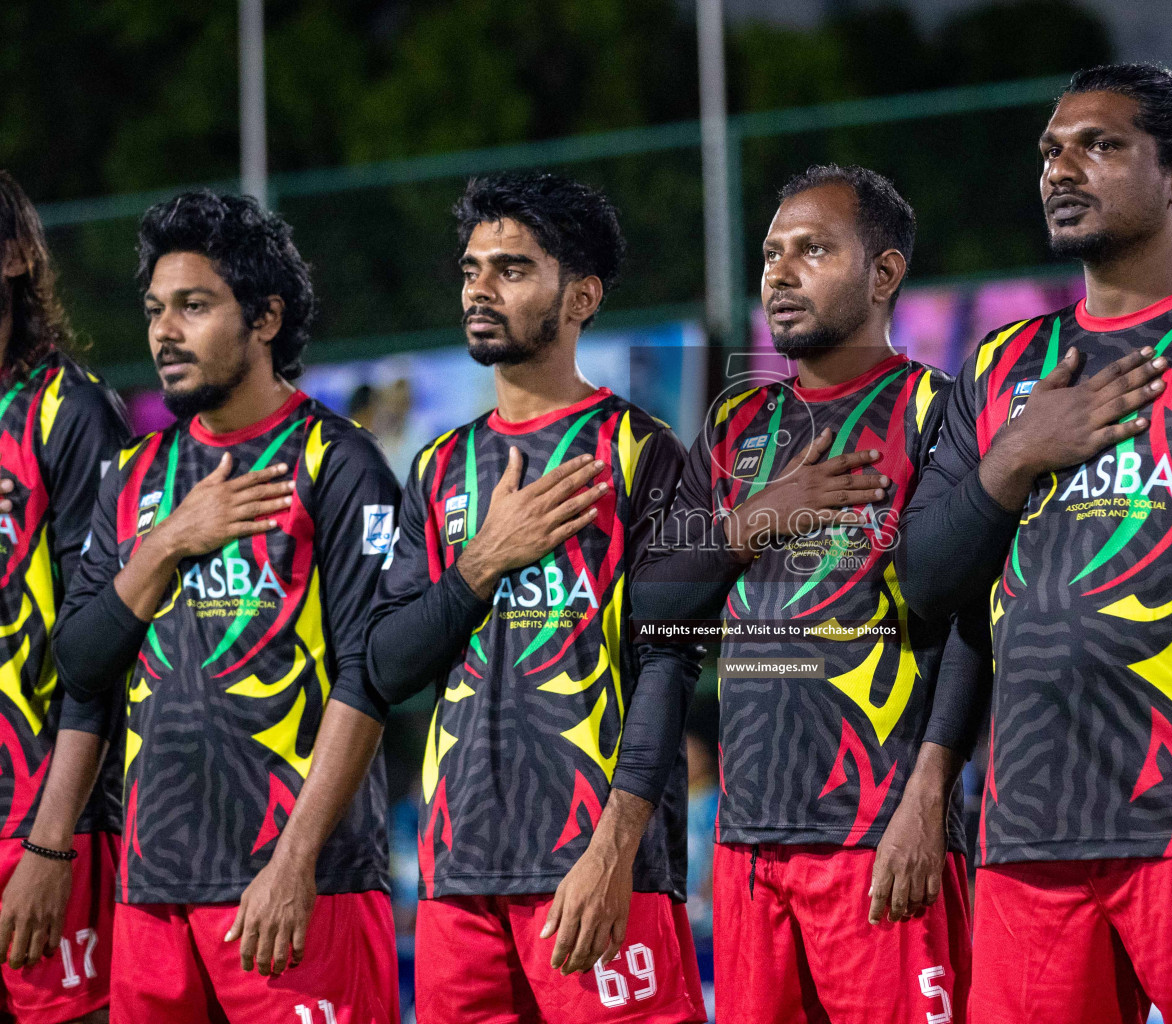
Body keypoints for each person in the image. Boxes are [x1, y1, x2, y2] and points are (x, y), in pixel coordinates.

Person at [903, 65, 1172, 1023]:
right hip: (1027, 847)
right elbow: (930, 584)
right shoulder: (999, 369)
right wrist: (1012, 461)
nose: (1062, 167)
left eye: (1100, 146)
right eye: (1053, 149)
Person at [634, 164, 986, 1024]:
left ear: (885, 273)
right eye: (771, 256)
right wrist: (761, 516)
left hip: (882, 835)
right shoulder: (733, 425)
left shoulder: (940, 411)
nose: (780, 275)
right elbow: (652, 601)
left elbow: (974, 623)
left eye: (814, 250)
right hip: (749, 847)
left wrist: (928, 800)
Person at [365, 172, 706, 1024]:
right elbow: (389, 665)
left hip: (600, 875)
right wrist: (483, 561)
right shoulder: (438, 467)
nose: (481, 287)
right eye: (473, 268)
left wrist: (616, 849)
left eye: (512, 269)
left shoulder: (644, 451)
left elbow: (668, 669)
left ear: (581, 296)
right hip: (457, 882)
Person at [52, 190, 400, 1023]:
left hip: (299, 889)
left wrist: (295, 862)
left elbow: (371, 680)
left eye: (194, 306)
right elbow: (81, 661)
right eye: (155, 311)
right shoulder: (135, 478)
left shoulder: (338, 464)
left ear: (266, 317)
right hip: (152, 895)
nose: (164, 332)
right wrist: (167, 544)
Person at [0, 171, 129, 1024]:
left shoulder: (68, 415)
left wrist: (51, 842)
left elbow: (104, 643)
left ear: (15, 257)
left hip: (43, 826)